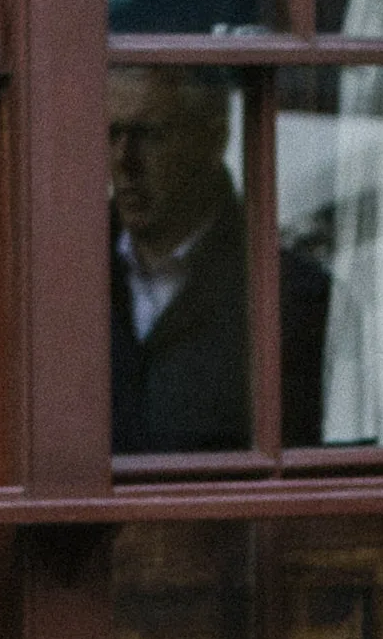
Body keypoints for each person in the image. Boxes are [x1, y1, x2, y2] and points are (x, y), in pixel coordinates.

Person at [106, 64, 330, 453]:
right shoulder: (60, 282)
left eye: (150, 136)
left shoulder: (294, 297)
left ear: (214, 140)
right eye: (112, 134)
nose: (124, 162)